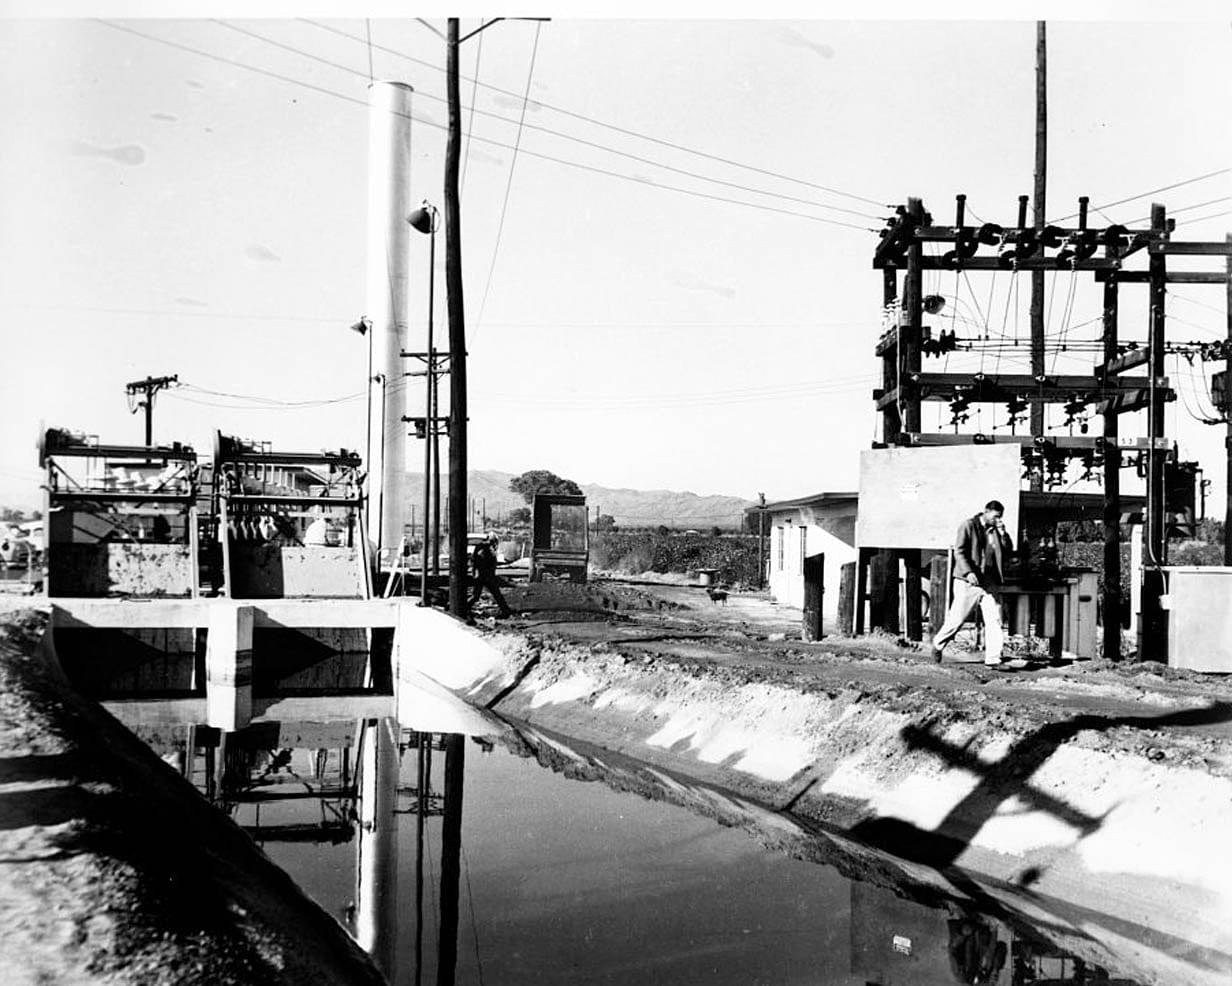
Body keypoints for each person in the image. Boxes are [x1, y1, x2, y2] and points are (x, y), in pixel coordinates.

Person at [930, 500, 1014, 667]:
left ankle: (993, 658)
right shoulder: (968, 525)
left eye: (1000, 517)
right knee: (958, 618)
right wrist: (968, 571)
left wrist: (1004, 534)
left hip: (990, 581)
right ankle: (938, 644)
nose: (997, 520)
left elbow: (1007, 550)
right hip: (968, 581)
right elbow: (959, 551)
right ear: (986, 512)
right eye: (995, 516)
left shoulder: (996, 531)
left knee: (995, 619)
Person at [469, 533, 512, 618]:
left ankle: (505, 610)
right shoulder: (485, 548)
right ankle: (505, 610)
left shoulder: (482, 547)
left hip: (484, 575)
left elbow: (475, 561)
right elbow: (480, 561)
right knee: (494, 594)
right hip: (484, 575)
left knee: (481, 595)